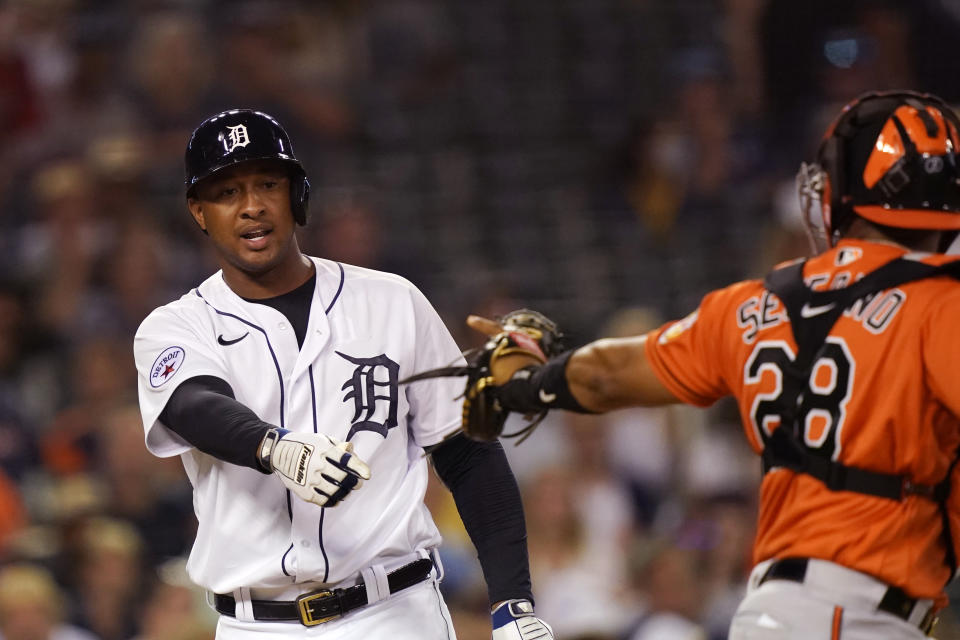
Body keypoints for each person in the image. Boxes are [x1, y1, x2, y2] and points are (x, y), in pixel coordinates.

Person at [464, 90, 960, 639]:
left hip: (782, 608)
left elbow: (609, 374)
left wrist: (525, 384)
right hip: (858, 617)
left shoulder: (757, 302)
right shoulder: (943, 308)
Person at [133, 109, 552, 640]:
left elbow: (467, 451)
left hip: (395, 612)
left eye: (268, 184)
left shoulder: (393, 301)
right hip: (258, 627)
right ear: (198, 212)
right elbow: (194, 405)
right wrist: (275, 447)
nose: (252, 206)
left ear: (297, 195)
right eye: (226, 192)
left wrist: (513, 602)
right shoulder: (175, 325)